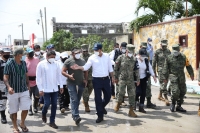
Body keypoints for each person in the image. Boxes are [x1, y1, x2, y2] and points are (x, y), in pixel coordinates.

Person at [71, 43, 114, 123]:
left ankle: (101, 107)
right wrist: (78, 67)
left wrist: (113, 78)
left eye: (96, 50)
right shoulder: (92, 58)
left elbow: (110, 68)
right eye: (94, 50)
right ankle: (100, 116)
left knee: (108, 96)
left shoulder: (107, 56)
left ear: (101, 50)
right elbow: (86, 67)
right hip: (96, 80)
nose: (95, 51)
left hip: (106, 79)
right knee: (98, 98)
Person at [4, 48, 30, 133]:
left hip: (23, 89)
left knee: (26, 108)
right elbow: (5, 77)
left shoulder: (23, 63)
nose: (24, 56)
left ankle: (22, 123)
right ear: (18, 55)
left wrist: (28, 84)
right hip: (13, 91)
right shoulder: (9, 63)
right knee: (13, 110)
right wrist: (8, 87)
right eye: (22, 54)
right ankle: (15, 127)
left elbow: (26, 74)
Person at [36, 50, 64, 129]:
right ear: (47, 57)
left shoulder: (56, 64)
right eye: (51, 57)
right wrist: (40, 89)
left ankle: (52, 121)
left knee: (54, 105)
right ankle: (44, 113)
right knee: (47, 104)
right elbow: (38, 78)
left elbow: (59, 75)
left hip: (55, 88)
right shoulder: (41, 64)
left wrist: (61, 86)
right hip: (45, 89)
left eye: (54, 57)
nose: (53, 58)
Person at [162, 44, 194, 112]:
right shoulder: (169, 57)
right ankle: (173, 103)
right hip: (173, 76)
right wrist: (165, 78)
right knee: (175, 91)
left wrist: (191, 74)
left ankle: (179, 106)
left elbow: (188, 66)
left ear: (179, 50)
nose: (175, 53)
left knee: (183, 91)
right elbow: (165, 68)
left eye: (177, 51)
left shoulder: (183, 57)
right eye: (174, 52)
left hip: (181, 77)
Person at [61, 47, 87, 125]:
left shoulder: (82, 61)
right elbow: (62, 71)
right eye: (76, 53)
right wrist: (69, 76)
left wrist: (85, 79)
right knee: (74, 99)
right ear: (72, 54)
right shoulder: (68, 61)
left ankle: (74, 113)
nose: (78, 54)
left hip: (81, 83)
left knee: (77, 100)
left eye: (79, 52)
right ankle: (76, 116)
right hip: (71, 83)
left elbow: (86, 71)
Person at [113, 44, 139, 117]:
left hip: (130, 79)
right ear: (126, 51)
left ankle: (131, 110)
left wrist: (138, 79)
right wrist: (115, 77)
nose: (130, 53)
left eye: (132, 52)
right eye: (129, 52)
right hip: (122, 78)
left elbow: (136, 70)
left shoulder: (134, 59)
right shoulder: (120, 57)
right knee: (121, 93)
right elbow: (115, 68)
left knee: (132, 95)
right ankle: (118, 104)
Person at [135, 47, 157, 113]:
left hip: (144, 78)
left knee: (143, 93)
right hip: (136, 78)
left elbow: (150, 68)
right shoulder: (135, 60)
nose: (144, 57)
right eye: (142, 56)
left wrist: (153, 76)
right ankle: (134, 102)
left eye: (145, 56)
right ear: (139, 54)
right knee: (138, 92)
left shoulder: (146, 60)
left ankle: (141, 107)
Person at [152, 40, 171, 106]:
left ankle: (160, 95)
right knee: (163, 83)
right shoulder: (157, 52)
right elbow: (154, 62)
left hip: (167, 70)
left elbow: (170, 61)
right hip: (160, 70)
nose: (164, 47)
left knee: (165, 83)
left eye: (165, 45)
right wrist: (153, 72)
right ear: (160, 44)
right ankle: (166, 98)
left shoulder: (168, 51)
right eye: (163, 45)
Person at [25, 47, 40, 115]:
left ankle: (35, 106)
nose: (31, 54)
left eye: (32, 53)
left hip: (36, 80)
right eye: (29, 53)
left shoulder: (37, 59)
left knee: (37, 95)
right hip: (28, 81)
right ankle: (30, 109)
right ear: (27, 54)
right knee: (29, 96)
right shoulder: (24, 61)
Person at [80, 44, 93, 112]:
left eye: (86, 51)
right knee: (85, 91)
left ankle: (85, 99)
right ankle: (86, 105)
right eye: (84, 51)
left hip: (91, 76)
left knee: (90, 88)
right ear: (81, 50)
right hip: (82, 77)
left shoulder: (91, 56)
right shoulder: (79, 57)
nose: (85, 52)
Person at [0, 48, 11, 124]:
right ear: (1, 53)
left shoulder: (10, 61)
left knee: (12, 100)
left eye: (8, 53)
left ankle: (12, 113)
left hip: (11, 83)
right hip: (1, 84)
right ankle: (3, 116)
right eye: (6, 53)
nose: (7, 55)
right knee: (2, 101)